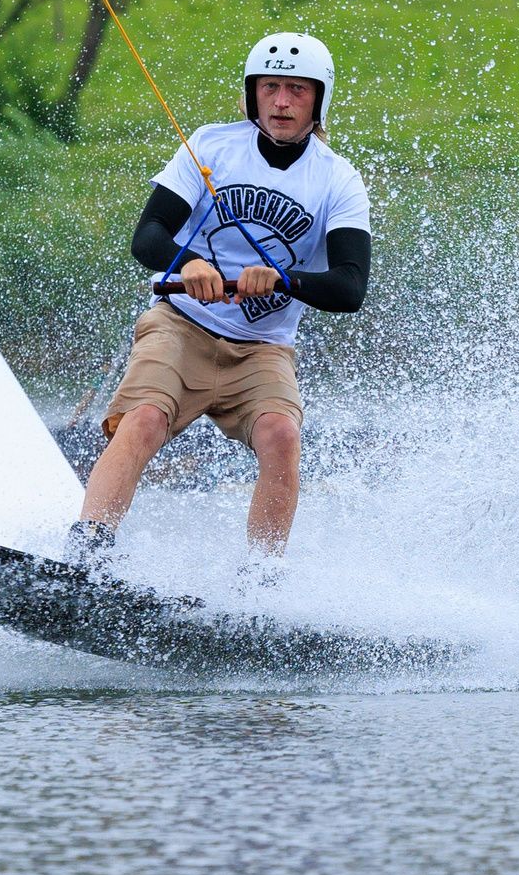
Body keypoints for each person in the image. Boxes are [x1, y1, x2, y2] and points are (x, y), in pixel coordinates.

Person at [68, 32, 373, 581]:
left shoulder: (338, 180)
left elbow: (351, 288)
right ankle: (86, 555)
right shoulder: (209, 146)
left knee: (282, 435)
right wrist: (186, 264)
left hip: (262, 348)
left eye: (297, 91)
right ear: (252, 94)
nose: (281, 102)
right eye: (271, 88)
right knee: (143, 418)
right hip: (181, 325)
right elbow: (148, 236)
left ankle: (258, 586)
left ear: (318, 101)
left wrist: (282, 279)